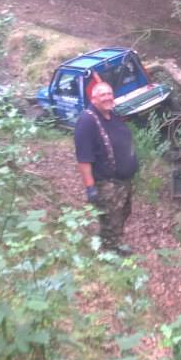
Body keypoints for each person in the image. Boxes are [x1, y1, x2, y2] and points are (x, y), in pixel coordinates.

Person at [74, 82, 139, 251]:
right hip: (107, 183)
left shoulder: (113, 115)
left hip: (124, 181)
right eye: (102, 95)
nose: (108, 97)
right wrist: (90, 188)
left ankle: (114, 243)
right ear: (93, 98)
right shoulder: (87, 121)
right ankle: (110, 252)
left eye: (109, 94)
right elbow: (83, 159)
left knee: (122, 213)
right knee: (110, 220)